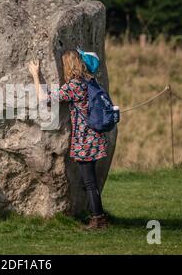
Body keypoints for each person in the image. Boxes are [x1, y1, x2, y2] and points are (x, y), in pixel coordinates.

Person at [28, 49, 109, 229]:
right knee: (90, 180)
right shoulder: (89, 81)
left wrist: (35, 74)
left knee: (89, 182)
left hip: (84, 140)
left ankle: (98, 219)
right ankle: (98, 216)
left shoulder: (74, 86)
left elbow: (44, 98)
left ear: (67, 65)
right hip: (96, 137)